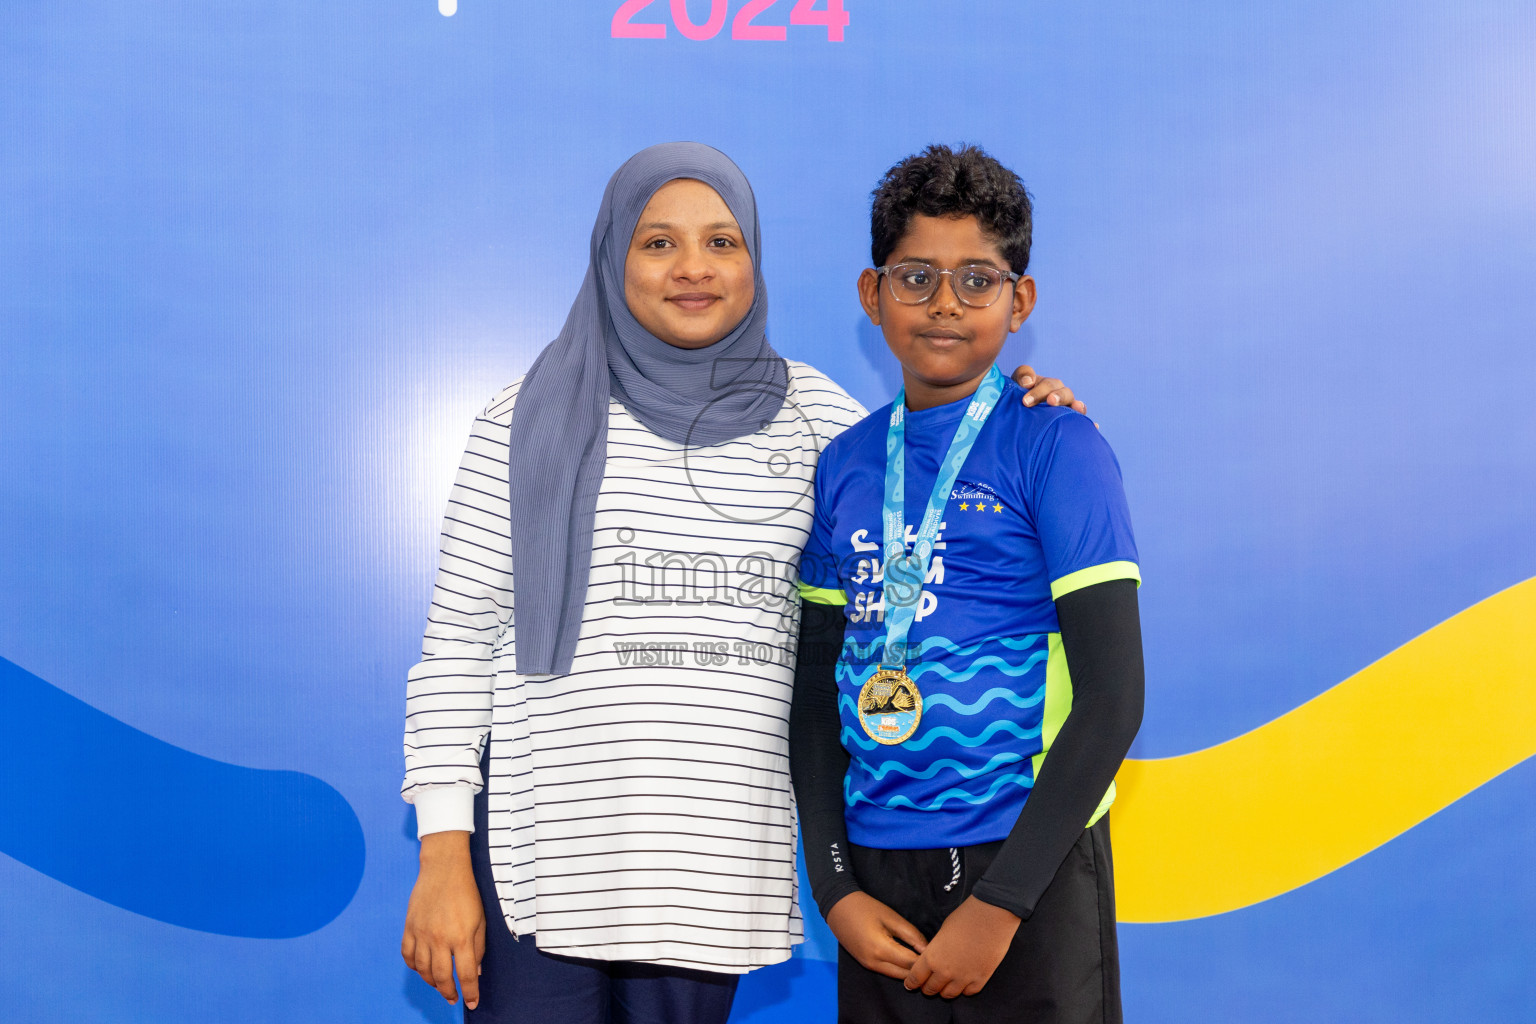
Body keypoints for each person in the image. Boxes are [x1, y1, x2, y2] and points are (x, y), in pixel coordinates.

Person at [399, 142, 1087, 1024]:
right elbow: (456, 649)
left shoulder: (819, 422)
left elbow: (941, 465)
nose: (694, 269)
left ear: (754, 260)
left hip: (707, 875)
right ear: (614, 257)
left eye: (723, 242)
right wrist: (443, 853)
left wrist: (1028, 406)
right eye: (659, 243)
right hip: (538, 871)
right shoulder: (521, 417)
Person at [791, 143, 1144, 1024]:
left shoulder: (1057, 446)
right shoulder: (843, 465)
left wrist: (1001, 904)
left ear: (1020, 300)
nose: (945, 304)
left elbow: (1113, 699)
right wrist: (835, 887)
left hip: (1028, 867)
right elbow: (812, 699)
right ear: (872, 294)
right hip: (876, 880)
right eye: (916, 277)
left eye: (977, 279)